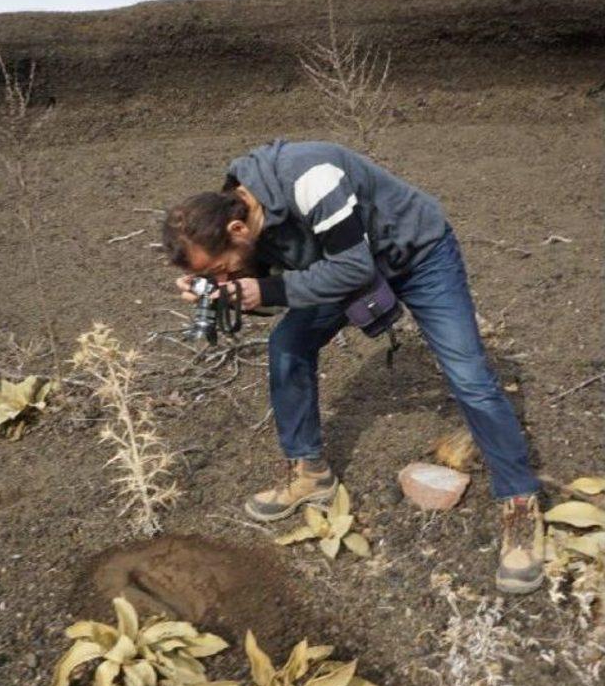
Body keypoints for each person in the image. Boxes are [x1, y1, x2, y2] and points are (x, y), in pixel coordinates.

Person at [163, 139, 545, 595]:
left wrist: (260, 291)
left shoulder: (311, 179)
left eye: (222, 269)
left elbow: (352, 270)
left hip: (418, 255)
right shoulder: (242, 213)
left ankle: (520, 503)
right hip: (343, 267)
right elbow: (276, 292)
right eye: (214, 276)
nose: (224, 277)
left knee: (469, 377)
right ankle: (309, 472)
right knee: (289, 342)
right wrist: (223, 296)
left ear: (237, 229)